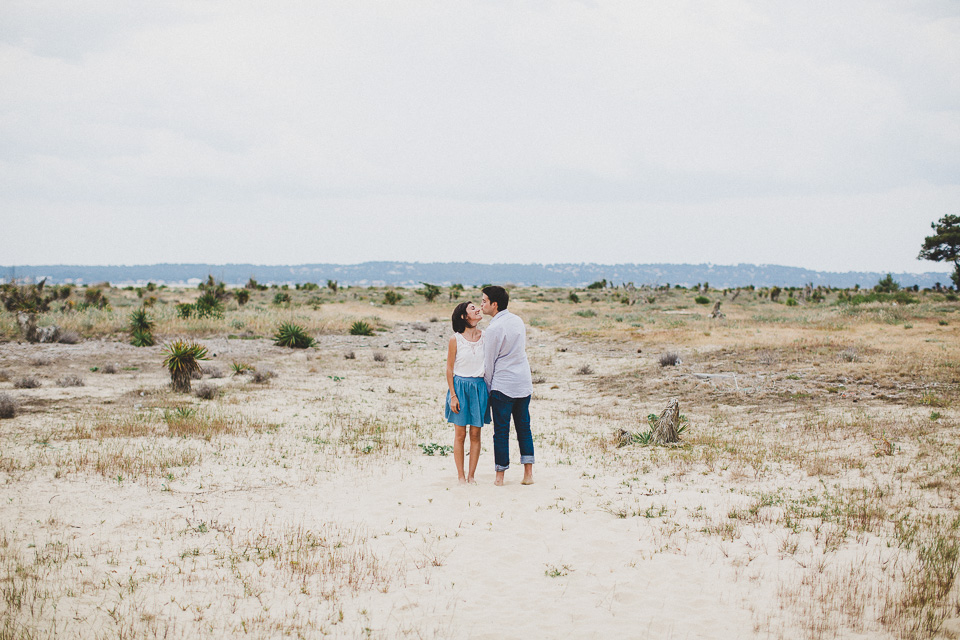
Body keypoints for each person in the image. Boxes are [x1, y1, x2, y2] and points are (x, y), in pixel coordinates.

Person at [480, 286, 534, 486]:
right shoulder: (517, 320)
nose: (481, 304)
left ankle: (500, 476)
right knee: (524, 428)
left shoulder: (494, 328)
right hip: (523, 382)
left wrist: (488, 388)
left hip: (503, 384)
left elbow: (489, 362)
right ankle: (528, 474)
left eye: (484, 301)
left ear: (494, 304)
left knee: (501, 432)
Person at [444, 301, 489, 484]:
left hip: (479, 388)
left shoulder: (485, 336)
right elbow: (449, 369)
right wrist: (453, 396)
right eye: (472, 308)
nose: (478, 309)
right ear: (464, 316)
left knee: (476, 434)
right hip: (460, 388)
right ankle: (461, 476)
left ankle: (471, 476)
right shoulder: (455, 339)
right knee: (460, 434)